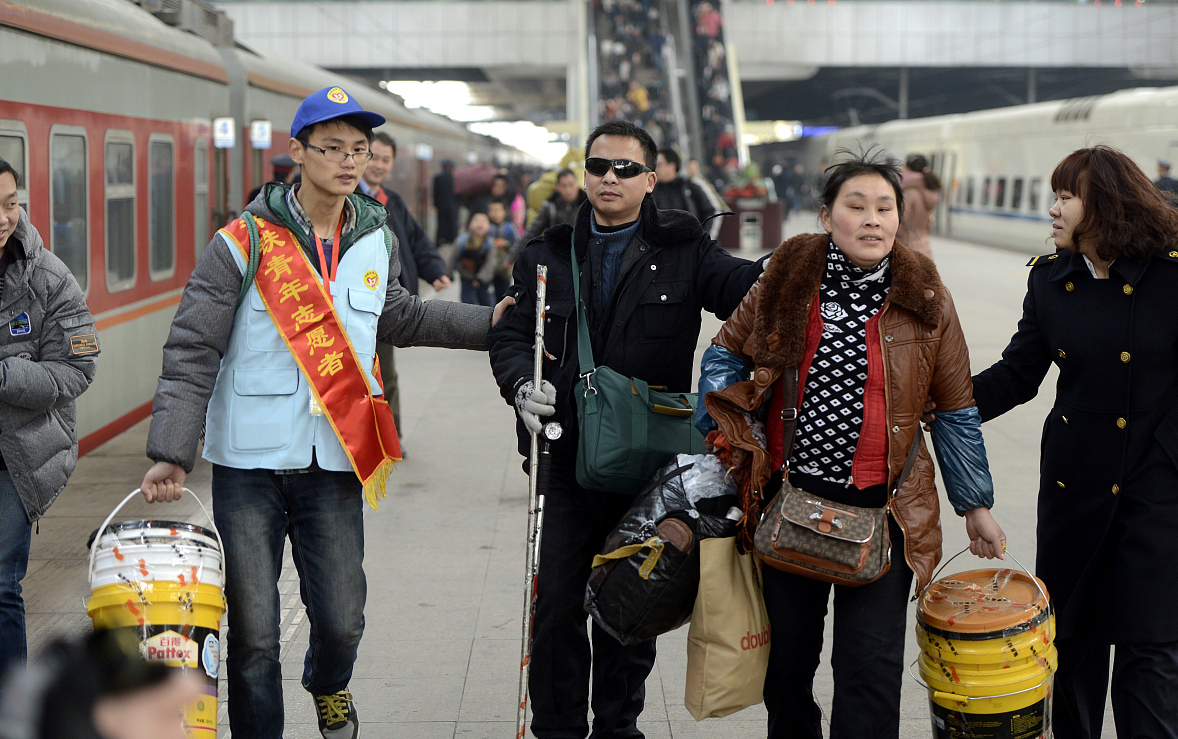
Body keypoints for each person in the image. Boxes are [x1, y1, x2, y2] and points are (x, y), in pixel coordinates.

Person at [137, 86, 509, 739]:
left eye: (358, 150)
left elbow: (403, 316)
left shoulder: (375, 235)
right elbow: (194, 345)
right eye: (331, 148)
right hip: (248, 464)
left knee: (341, 617)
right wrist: (172, 448)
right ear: (297, 153)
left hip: (337, 457)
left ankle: (329, 683)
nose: (347, 161)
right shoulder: (243, 241)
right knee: (253, 634)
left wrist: (492, 323)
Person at [695, 150, 1006, 739]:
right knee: (787, 673)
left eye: (884, 208)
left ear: (898, 217)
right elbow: (725, 352)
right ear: (826, 215)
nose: (872, 219)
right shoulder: (786, 278)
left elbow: (957, 409)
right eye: (856, 206)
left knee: (870, 674)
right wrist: (724, 432)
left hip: (885, 515)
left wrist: (976, 506)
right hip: (792, 508)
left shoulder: (928, 297)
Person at [488, 120, 768, 739]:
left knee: (629, 603)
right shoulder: (544, 255)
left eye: (623, 169)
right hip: (564, 461)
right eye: (597, 167)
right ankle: (558, 728)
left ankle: (619, 726)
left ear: (651, 178)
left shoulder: (685, 250)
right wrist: (518, 386)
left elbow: (747, 290)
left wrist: (805, 261)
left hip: (648, 470)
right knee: (557, 606)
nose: (607, 178)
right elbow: (510, 333)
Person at [970, 145, 1178, 739]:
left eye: (1066, 196)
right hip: (1074, 488)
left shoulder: (1170, 277)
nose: (1054, 209)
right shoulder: (1050, 280)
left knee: (1151, 655)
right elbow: (1015, 376)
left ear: (1106, 204)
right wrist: (936, 402)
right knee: (1072, 651)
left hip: (1157, 491)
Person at [0, 157, 99, 670]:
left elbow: (78, 368)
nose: (3, 217)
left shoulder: (49, 277)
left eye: (10, 203)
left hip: (19, 455)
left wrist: (5, 377)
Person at [357, 131, 452, 448]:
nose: (379, 165)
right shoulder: (348, 199)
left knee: (385, 373)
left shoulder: (391, 201)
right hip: (357, 301)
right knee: (371, 373)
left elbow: (416, 241)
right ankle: (374, 437)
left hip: (387, 301)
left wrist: (435, 269)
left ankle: (389, 438)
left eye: (386, 159)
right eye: (374, 157)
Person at [508, 168, 586, 264]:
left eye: (571, 185)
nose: (568, 190)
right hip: (557, 259)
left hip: (582, 259)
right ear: (558, 187)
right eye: (564, 186)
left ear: (577, 184)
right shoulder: (550, 207)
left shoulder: (587, 205)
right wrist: (511, 257)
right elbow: (531, 232)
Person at [652, 147, 716, 223]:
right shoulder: (652, 192)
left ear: (672, 166)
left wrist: (704, 233)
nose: (656, 169)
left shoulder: (690, 187)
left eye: (659, 165)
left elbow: (710, 212)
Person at [896, 153, 941, 260]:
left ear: (907, 168)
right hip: (924, 248)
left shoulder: (909, 192)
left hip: (906, 249)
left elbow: (902, 224)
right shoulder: (928, 190)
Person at [447, 211, 496, 307]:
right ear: (470, 225)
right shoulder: (461, 241)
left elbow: (491, 263)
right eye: (476, 221)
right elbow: (451, 258)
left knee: (487, 305)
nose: (480, 224)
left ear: (489, 226)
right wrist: (448, 275)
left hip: (484, 282)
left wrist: (480, 279)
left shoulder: (490, 243)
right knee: (468, 305)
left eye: (483, 221)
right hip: (466, 279)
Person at [485, 200, 518, 302]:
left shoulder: (510, 228)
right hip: (490, 268)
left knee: (504, 294)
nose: (496, 214)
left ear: (504, 212)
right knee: (490, 296)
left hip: (505, 268)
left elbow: (517, 245)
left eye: (498, 210)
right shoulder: (487, 228)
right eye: (492, 211)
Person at [687, 157, 727, 239]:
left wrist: (708, 237)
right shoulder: (683, 184)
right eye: (690, 167)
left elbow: (715, 210)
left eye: (694, 167)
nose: (692, 169)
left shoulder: (701, 185)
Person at [432, 159, 459, 246]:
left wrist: (436, 204)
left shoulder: (437, 178)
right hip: (453, 205)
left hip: (441, 206)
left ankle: (440, 241)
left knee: (441, 224)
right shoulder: (454, 178)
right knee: (453, 224)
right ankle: (453, 241)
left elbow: (435, 193)